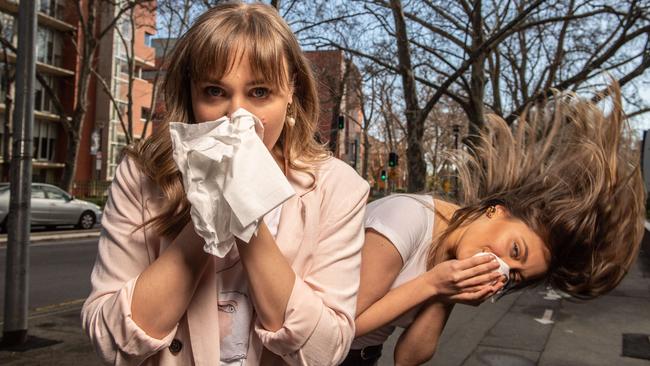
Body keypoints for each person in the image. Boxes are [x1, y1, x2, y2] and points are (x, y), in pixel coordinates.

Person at [81, 3, 369, 365]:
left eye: (260, 92)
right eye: (216, 92)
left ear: (291, 90)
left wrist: (246, 209)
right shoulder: (142, 175)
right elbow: (110, 343)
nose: (237, 116)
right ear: (191, 93)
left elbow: (323, 352)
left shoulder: (337, 187)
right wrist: (209, 212)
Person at [341, 84, 645, 365]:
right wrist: (432, 283)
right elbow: (343, 327)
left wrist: (446, 296)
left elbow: (407, 359)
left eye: (514, 273)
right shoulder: (408, 217)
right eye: (515, 250)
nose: (502, 266)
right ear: (496, 211)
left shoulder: (450, 267)